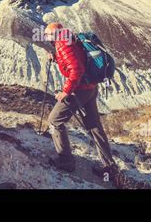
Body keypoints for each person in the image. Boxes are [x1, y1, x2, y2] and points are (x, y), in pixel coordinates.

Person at [43, 22, 118, 178]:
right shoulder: (70, 39)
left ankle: (66, 161)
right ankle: (109, 166)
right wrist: (56, 57)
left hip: (79, 91)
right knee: (94, 126)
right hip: (90, 88)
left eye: (47, 34)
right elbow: (79, 58)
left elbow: (77, 69)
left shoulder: (63, 44)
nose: (45, 37)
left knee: (55, 120)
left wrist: (65, 91)